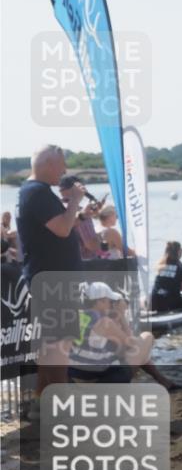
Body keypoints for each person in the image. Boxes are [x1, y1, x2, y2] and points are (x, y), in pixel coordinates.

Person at [15, 145, 84, 401]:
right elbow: (62, 230)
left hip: (51, 278)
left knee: (51, 345)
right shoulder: (37, 192)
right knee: (57, 345)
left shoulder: (34, 191)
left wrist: (77, 214)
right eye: (62, 165)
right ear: (47, 164)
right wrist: (75, 200)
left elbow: (56, 226)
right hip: (53, 280)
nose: (64, 171)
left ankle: (44, 401)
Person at [68, 281, 153, 383]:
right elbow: (131, 344)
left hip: (75, 372)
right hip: (94, 376)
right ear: (100, 301)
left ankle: (161, 379)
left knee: (121, 350)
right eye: (109, 301)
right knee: (147, 337)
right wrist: (121, 314)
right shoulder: (104, 322)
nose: (111, 304)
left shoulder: (79, 315)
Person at [58, 175, 101, 260]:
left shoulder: (55, 208)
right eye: (82, 188)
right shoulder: (81, 213)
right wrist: (107, 239)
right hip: (85, 265)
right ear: (78, 188)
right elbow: (91, 245)